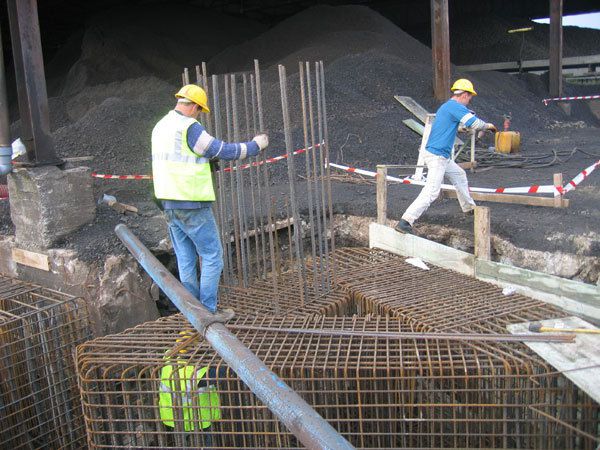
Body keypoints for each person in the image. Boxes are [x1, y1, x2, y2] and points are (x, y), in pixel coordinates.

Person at [152, 84, 269, 319]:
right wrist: (256, 146)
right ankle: (207, 311)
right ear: (194, 106)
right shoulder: (188, 127)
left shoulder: (160, 126)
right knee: (212, 254)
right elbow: (222, 150)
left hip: (168, 203)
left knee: (185, 257)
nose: (198, 115)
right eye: (199, 111)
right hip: (191, 203)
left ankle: (191, 310)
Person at [396, 79, 496, 234]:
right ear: (463, 94)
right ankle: (405, 221)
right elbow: (475, 124)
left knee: (460, 174)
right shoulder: (456, 107)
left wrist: (462, 129)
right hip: (438, 155)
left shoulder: (446, 107)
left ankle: (469, 208)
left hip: (440, 154)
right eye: (470, 97)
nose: (469, 100)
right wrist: (488, 126)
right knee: (432, 191)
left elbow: (452, 126)